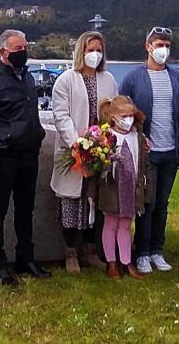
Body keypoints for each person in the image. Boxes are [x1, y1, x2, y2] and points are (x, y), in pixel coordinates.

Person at [0, 29, 51, 285]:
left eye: (25, 48)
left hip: (29, 154)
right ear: (3, 51)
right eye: (18, 49)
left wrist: (36, 137)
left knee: (26, 208)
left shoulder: (27, 78)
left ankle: (25, 257)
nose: (23, 53)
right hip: (4, 157)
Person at [119, 26, 179, 274]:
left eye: (167, 46)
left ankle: (158, 250)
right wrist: (138, 136)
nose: (164, 50)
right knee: (146, 203)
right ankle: (142, 251)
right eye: (159, 45)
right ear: (148, 46)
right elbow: (122, 114)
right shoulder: (133, 78)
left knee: (162, 203)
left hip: (170, 151)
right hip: (147, 153)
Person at [50, 31, 117, 273]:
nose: (94, 55)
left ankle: (90, 251)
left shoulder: (108, 79)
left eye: (98, 50)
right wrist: (77, 144)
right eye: (90, 50)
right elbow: (61, 115)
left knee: (95, 202)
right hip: (75, 150)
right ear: (81, 52)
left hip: (100, 151)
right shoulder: (66, 79)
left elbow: (113, 114)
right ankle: (70, 253)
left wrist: (105, 142)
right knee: (72, 202)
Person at [85, 95, 150, 279]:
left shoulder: (137, 136)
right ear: (113, 117)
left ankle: (126, 261)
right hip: (111, 188)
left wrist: (146, 187)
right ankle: (111, 262)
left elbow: (144, 164)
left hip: (131, 187)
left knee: (125, 225)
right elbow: (95, 169)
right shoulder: (106, 137)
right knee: (111, 223)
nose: (128, 120)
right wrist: (92, 191)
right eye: (124, 116)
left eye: (131, 115)